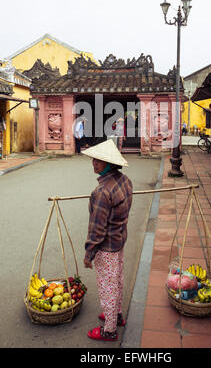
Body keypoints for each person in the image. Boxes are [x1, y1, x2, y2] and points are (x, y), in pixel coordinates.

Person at [82, 139, 133, 341]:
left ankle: (110, 330)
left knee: (107, 287)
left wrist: (89, 254)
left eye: (99, 161)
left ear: (110, 164)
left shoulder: (102, 192)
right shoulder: (125, 180)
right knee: (116, 280)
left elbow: (97, 230)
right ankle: (117, 315)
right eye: (94, 160)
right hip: (119, 240)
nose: (94, 163)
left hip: (107, 247)